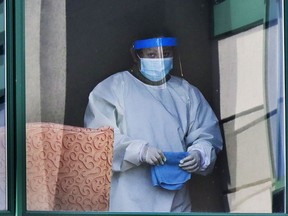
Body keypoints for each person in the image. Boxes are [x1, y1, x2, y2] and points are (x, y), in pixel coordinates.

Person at [84, 36, 223, 212]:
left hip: (176, 197)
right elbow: (98, 140)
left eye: (166, 54)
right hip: (128, 198)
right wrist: (139, 151)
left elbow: (207, 132)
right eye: (152, 55)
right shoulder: (113, 88)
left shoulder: (186, 92)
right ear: (136, 56)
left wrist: (200, 154)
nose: (160, 60)